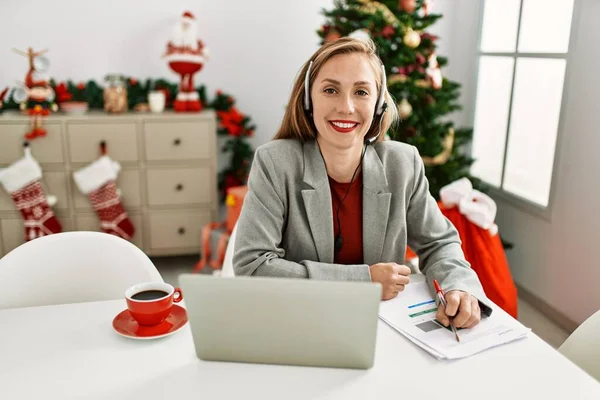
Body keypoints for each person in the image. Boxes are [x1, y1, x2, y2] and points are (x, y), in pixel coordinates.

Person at [233, 37, 492, 329]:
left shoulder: (402, 164)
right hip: (297, 322)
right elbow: (252, 265)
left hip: (379, 327)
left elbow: (439, 242)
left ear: (379, 105)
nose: (346, 107)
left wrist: (459, 287)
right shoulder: (275, 162)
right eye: (330, 90)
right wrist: (363, 280)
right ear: (308, 100)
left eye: (361, 92)